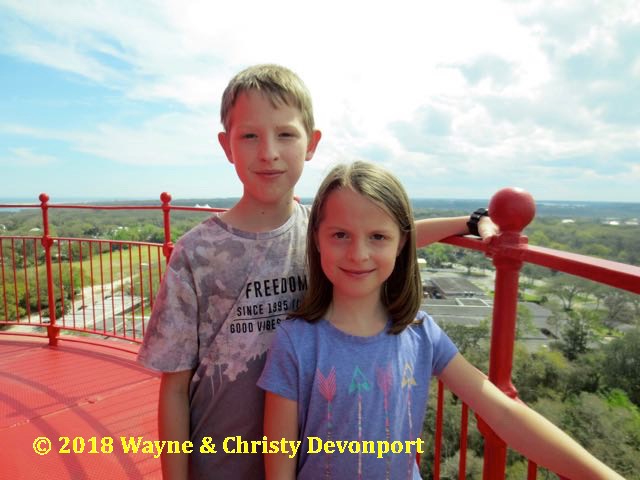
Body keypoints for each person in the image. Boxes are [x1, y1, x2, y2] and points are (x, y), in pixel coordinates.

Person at [137, 64, 497, 480]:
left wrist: (467, 223)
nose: (269, 151)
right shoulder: (196, 253)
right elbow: (176, 389)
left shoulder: (321, 232)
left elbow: (390, 236)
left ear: (311, 143)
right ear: (226, 145)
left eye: (285, 134)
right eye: (249, 135)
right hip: (221, 464)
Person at [258, 161, 625, 480]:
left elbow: (504, 413)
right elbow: (279, 463)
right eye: (340, 235)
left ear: (401, 244)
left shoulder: (420, 333)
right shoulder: (296, 341)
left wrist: (602, 475)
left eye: (378, 237)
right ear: (317, 239)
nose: (359, 254)